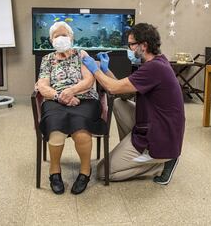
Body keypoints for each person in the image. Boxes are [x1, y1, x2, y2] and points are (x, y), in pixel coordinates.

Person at [81, 23, 185, 184]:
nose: (129, 49)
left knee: (103, 172)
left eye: (131, 44)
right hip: (157, 124)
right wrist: (106, 70)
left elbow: (112, 87)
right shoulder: (155, 63)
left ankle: (160, 163)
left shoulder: (154, 68)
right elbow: (124, 93)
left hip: (160, 135)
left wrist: (95, 69)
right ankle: (136, 152)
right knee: (119, 104)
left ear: (144, 45)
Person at [35, 21, 107, 195]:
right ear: (51, 40)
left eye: (64, 35)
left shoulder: (81, 54)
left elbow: (89, 80)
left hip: (85, 98)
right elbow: (42, 86)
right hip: (55, 99)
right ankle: (54, 172)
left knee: (80, 129)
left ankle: (85, 171)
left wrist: (72, 91)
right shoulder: (47, 59)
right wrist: (61, 97)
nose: (60, 38)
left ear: (72, 37)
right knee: (56, 129)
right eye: (56, 36)